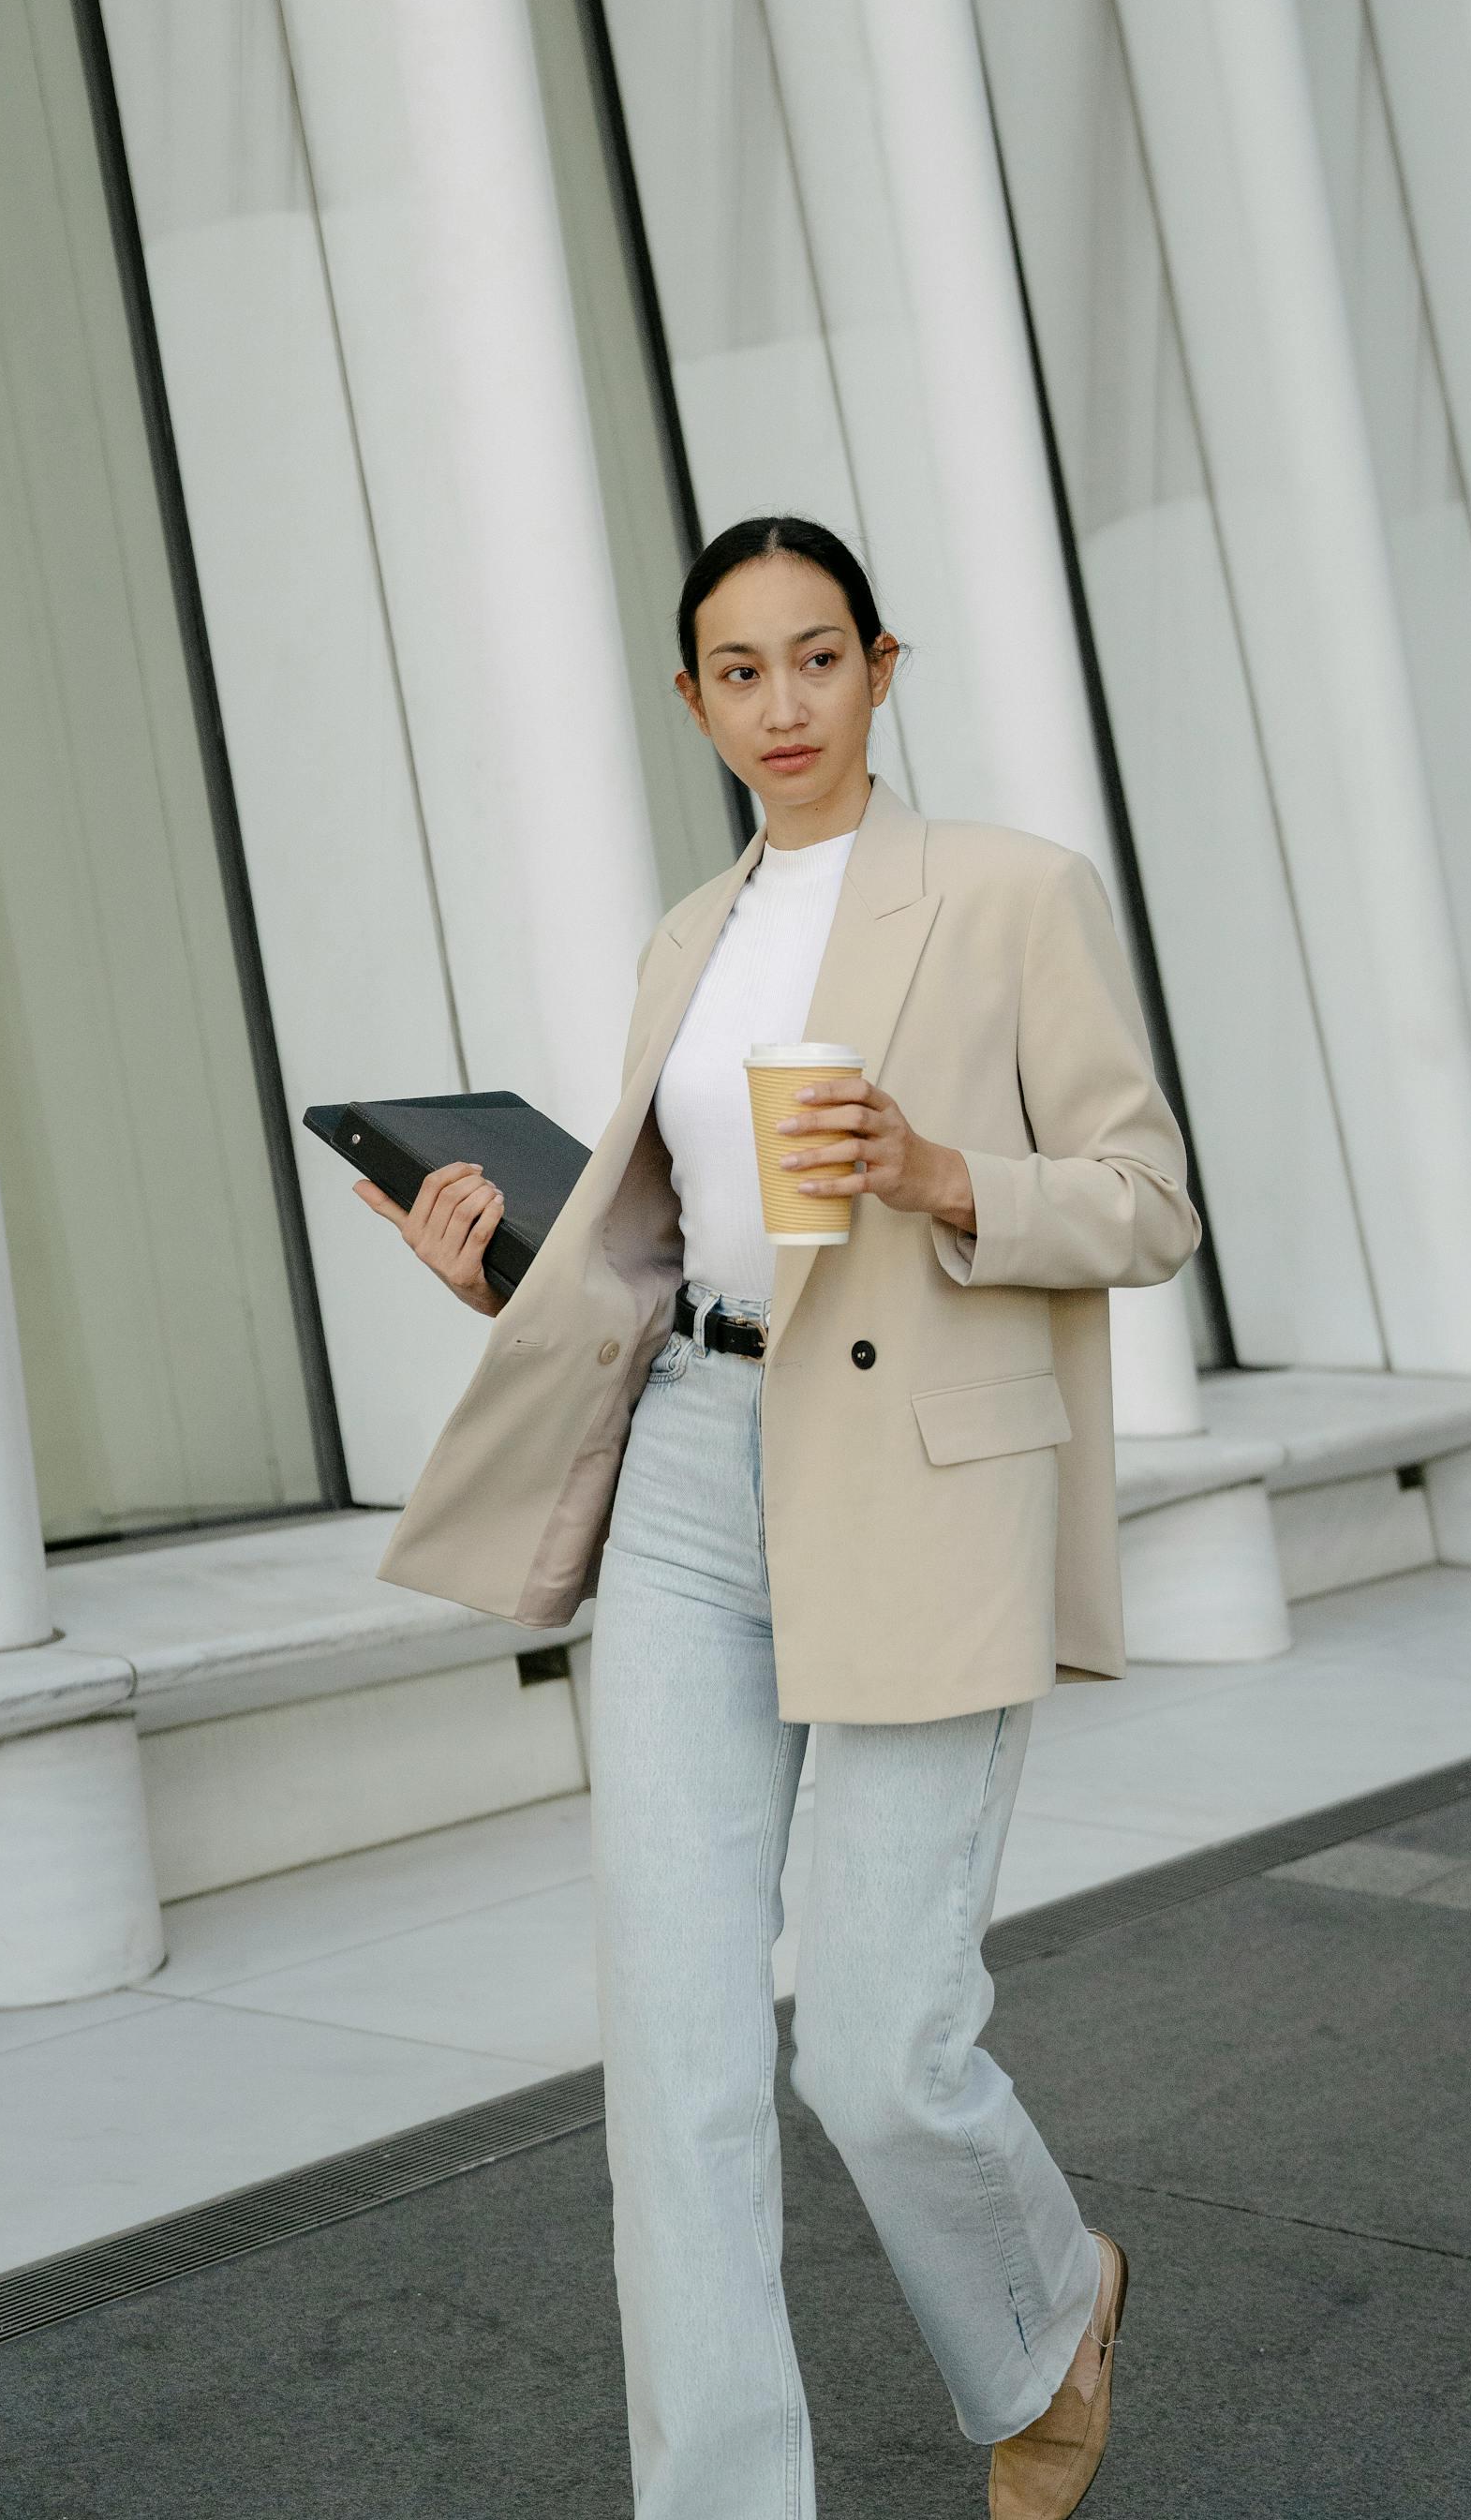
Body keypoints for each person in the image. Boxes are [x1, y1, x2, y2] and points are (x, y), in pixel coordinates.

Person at [358, 515, 1199, 2519]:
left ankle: (1044, 2306)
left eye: (819, 658)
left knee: (881, 2052)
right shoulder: (688, 937)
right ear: (693, 701)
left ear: (883, 668)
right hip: (683, 1475)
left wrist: (936, 1167)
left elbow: (1149, 1200)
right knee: (675, 2065)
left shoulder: (1005, 894)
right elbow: (664, 1247)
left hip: (913, 1484)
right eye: (741, 671)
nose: (784, 705)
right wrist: (492, 1262)